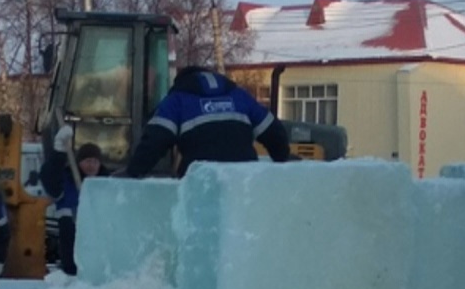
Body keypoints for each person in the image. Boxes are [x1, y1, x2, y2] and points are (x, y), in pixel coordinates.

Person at [122, 66, 293, 178]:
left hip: (200, 181)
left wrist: (134, 172)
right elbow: (273, 131)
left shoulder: (177, 100)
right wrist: (282, 157)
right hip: (243, 179)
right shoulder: (239, 96)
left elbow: (155, 140)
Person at [39, 122, 110, 276]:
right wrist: (58, 152)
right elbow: (48, 178)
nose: (91, 165)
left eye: (95, 161)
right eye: (87, 161)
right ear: (79, 163)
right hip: (71, 244)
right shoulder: (66, 180)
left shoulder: (107, 184)